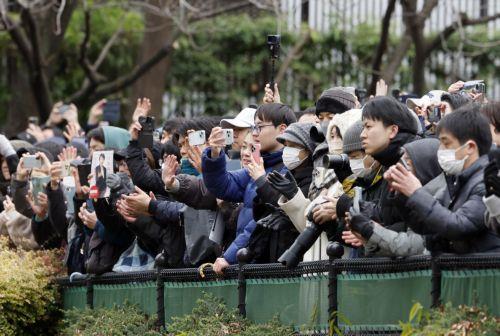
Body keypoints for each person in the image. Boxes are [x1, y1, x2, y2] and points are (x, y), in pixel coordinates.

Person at [385, 105, 500, 253]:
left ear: (470, 147)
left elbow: (458, 226)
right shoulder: (456, 181)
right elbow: (424, 225)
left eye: (446, 143)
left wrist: (416, 192)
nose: (441, 151)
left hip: (485, 274)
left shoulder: (486, 182)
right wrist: (402, 192)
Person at [202, 103, 296, 273]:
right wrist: (215, 155)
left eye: (259, 127)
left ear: (282, 129)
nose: (254, 133)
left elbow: (260, 221)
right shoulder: (259, 165)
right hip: (249, 260)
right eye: (254, 127)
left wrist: (229, 257)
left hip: (272, 266)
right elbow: (222, 185)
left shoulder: (290, 167)